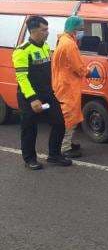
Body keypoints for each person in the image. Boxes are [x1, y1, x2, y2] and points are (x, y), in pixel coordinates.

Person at [12, 16, 71, 169]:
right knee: (29, 128)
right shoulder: (22, 51)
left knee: (59, 122)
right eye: (44, 30)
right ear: (33, 31)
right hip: (29, 97)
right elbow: (22, 78)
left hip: (47, 95)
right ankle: (29, 160)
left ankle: (54, 155)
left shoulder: (44, 46)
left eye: (47, 29)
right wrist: (32, 98)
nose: (47, 32)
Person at [51, 15, 88, 158]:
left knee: (68, 114)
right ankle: (65, 147)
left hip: (63, 83)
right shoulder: (70, 45)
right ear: (74, 29)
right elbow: (79, 67)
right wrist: (89, 71)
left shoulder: (63, 40)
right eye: (80, 29)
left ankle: (67, 142)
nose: (82, 32)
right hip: (68, 86)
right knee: (69, 116)